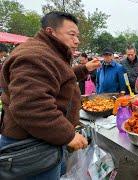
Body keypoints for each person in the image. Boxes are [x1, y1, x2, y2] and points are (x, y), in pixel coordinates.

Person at [0, 11, 100, 178]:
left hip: (45, 138)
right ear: (50, 32)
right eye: (72, 34)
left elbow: (56, 79)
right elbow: (30, 106)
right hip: (31, 147)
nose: (77, 40)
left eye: (78, 35)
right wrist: (68, 135)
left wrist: (84, 69)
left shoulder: (48, 53)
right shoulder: (35, 56)